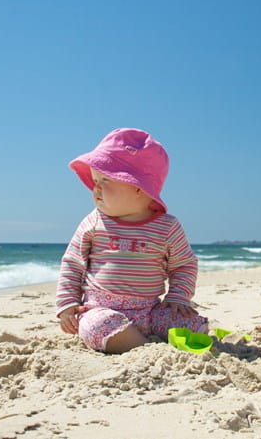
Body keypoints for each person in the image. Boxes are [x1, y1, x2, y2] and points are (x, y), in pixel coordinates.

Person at [56, 128, 208, 354]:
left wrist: (178, 296)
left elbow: (183, 264)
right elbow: (72, 263)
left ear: (138, 187)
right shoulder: (93, 222)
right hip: (101, 308)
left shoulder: (166, 226)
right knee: (96, 327)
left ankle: (140, 340)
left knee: (194, 325)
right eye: (95, 180)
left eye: (104, 180)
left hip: (151, 311)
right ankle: (145, 348)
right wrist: (67, 305)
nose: (95, 189)